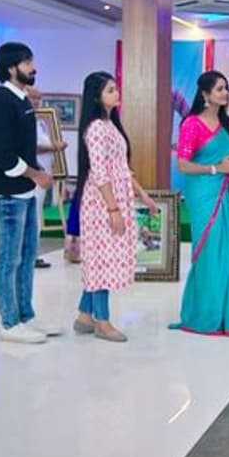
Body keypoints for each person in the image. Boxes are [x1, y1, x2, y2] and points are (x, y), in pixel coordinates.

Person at [73, 71, 160, 343]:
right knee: (102, 261)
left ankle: (84, 315)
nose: (117, 93)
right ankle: (102, 321)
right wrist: (112, 210)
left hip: (115, 197)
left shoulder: (110, 125)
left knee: (104, 258)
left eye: (116, 88)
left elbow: (122, 169)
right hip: (101, 202)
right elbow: (100, 172)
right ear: (96, 97)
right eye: (110, 90)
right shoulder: (97, 128)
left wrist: (142, 195)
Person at [0, 42, 56, 344]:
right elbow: (2, 155)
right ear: (11, 67)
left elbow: (25, 148)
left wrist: (36, 173)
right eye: (27, 63)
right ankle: (10, 322)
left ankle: (26, 315)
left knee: (27, 257)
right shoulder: (0, 102)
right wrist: (36, 174)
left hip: (24, 191)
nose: (33, 68)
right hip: (7, 193)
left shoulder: (22, 100)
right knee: (8, 260)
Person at [170, 70, 229, 337]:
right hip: (205, 196)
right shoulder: (192, 124)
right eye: (219, 89)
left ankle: (227, 315)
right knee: (209, 251)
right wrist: (216, 168)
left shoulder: (227, 125)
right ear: (205, 94)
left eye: (226, 88)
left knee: (228, 251)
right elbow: (183, 165)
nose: (225, 93)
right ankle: (205, 314)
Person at [22, 84, 68, 269]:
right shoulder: (23, 120)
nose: (36, 102)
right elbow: (29, 147)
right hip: (33, 175)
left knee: (36, 216)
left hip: (43, 175)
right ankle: (27, 256)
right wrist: (53, 147)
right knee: (30, 217)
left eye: (38, 98)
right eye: (32, 98)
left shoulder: (39, 122)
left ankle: (32, 254)